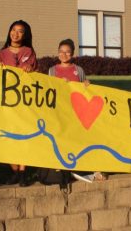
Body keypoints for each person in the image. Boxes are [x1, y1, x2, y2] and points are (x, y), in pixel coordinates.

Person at [48, 38, 106, 183]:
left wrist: (87, 85)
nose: (64, 54)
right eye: (61, 52)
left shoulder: (78, 70)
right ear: (58, 53)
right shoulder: (52, 70)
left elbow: (84, 89)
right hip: (61, 111)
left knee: (79, 138)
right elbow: (50, 89)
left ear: (72, 54)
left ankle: (86, 168)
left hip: (77, 111)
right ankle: (64, 168)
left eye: (67, 52)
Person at [0, 20, 37, 186]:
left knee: (23, 136)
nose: (16, 34)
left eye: (20, 31)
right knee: (8, 136)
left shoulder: (28, 51)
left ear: (24, 35)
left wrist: (28, 69)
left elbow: (33, 70)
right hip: (7, 102)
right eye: (13, 30)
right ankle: (15, 171)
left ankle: (23, 171)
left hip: (24, 102)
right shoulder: (2, 54)